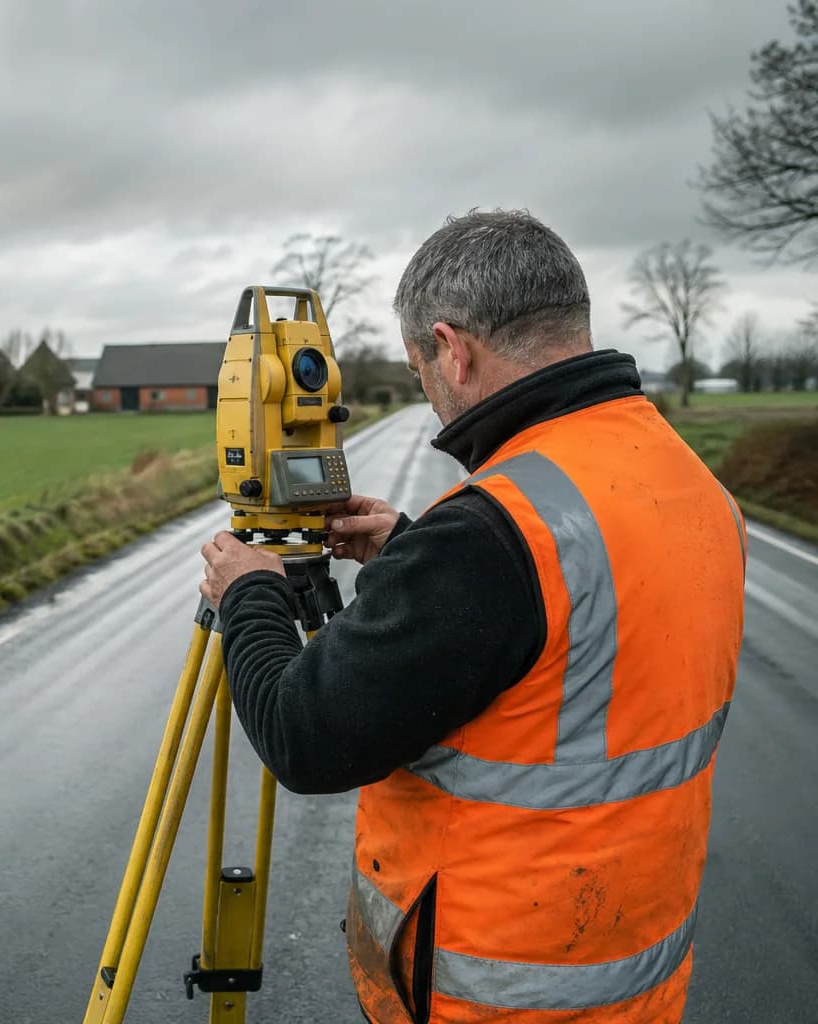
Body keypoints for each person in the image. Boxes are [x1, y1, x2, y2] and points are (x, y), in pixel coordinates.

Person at [198, 210, 745, 1023]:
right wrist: (412, 554)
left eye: (420, 367)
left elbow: (303, 738)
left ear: (452, 348)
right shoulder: (684, 476)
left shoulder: (488, 538)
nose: (429, 394)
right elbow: (571, 635)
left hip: (496, 994)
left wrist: (249, 592)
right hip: (634, 979)